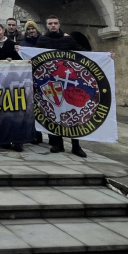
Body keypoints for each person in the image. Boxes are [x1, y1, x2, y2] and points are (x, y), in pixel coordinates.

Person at [35, 15, 88, 157]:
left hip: (70, 81)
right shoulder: (42, 40)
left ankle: (76, 146)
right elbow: (36, 57)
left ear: (59, 24)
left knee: (74, 114)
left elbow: (83, 53)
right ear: (47, 25)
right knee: (56, 112)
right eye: (50, 23)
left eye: (55, 23)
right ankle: (58, 144)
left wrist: (106, 56)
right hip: (52, 82)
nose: (53, 25)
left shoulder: (68, 39)